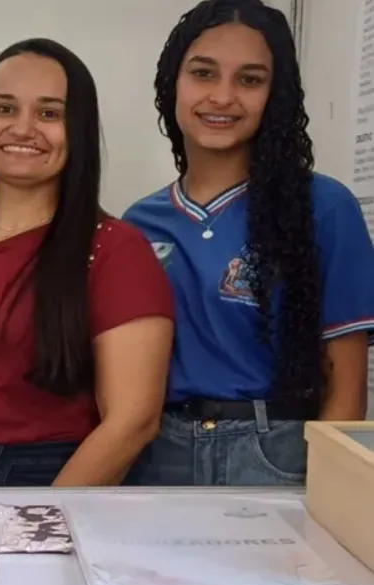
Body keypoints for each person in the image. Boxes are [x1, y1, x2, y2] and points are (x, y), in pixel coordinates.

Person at [0, 38, 176, 487]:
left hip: (46, 477)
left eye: (49, 114)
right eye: (4, 108)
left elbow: (133, 422)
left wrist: (43, 516)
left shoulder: (114, 249)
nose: (22, 128)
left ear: (78, 130)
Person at [123, 0, 374, 486]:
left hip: (277, 453)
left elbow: (346, 388)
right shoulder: (138, 223)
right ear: (171, 82)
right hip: (156, 453)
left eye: (250, 80)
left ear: (274, 95)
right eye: (203, 73)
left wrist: (327, 486)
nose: (222, 97)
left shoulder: (322, 206)